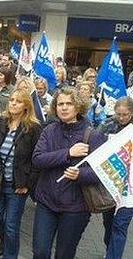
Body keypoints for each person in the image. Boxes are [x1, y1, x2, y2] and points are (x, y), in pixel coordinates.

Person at [32, 86, 106, 259]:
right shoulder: (49, 130)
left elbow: (100, 172)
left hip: (76, 208)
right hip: (46, 202)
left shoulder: (93, 136)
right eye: (60, 104)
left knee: (64, 255)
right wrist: (67, 153)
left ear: (78, 106)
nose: (64, 108)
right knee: (40, 252)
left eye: (69, 104)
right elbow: (37, 159)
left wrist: (81, 175)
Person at [0, 88, 42, 258]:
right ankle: (5, 241)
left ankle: (10, 255)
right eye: (12, 100)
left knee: (11, 225)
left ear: (26, 106)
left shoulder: (33, 128)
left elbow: (36, 159)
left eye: (18, 101)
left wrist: (28, 185)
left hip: (18, 186)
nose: (14, 103)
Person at [97, 96, 133, 259]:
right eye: (118, 114)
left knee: (120, 225)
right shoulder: (107, 124)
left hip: (129, 189)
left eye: (125, 114)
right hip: (110, 183)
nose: (121, 118)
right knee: (109, 223)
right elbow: (96, 148)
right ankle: (109, 250)